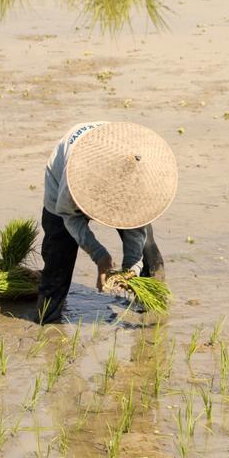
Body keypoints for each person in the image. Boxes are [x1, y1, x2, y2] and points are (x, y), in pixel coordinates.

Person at [36, 121, 178, 323]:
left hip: (120, 161)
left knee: (147, 247)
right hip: (65, 181)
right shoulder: (74, 179)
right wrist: (100, 257)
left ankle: (153, 307)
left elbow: (136, 229)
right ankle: (48, 319)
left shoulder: (138, 176)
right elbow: (70, 217)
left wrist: (131, 267)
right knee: (59, 253)